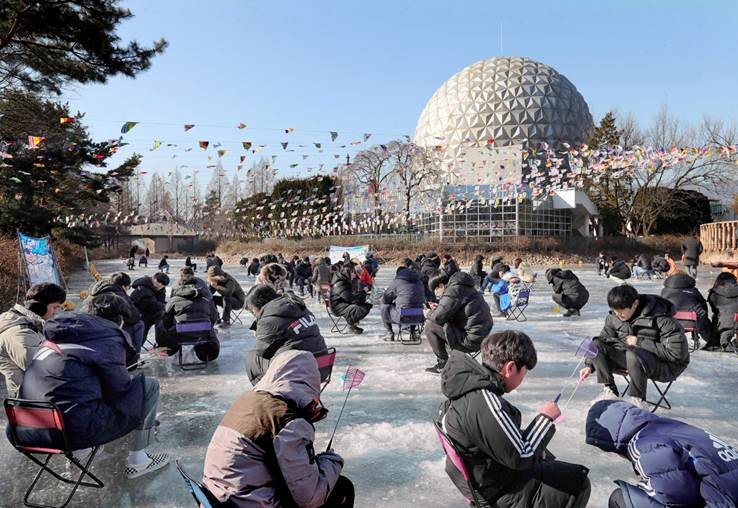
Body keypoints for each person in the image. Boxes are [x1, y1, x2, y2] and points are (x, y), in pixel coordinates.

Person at [18, 293, 169, 478]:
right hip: (72, 431)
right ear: (120, 319)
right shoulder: (106, 340)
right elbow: (119, 390)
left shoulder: (56, 334)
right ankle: (138, 460)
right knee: (148, 386)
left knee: (73, 392)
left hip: (27, 428)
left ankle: (81, 455)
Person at [438, 331, 591, 507]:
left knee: (548, 460)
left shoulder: (466, 391)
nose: (523, 379)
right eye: (524, 373)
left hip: (486, 480)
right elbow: (521, 456)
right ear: (510, 368)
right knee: (577, 483)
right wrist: (545, 418)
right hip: (500, 489)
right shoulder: (484, 401)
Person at [203, 350, 354, 507]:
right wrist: (331, 461)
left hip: (221, 498)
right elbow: (309, 497)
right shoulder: (286, 421)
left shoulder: (249, 400)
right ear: (310, 382)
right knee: (342, 488)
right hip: (246, 502)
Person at [586, 399, 738, 508]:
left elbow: (675, 495)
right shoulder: (669, 426)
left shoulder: (644, 442)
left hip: (724, 502)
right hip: (726, 494)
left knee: (620, 498)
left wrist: (644, 489)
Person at [579, 285, 690, 407]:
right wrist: (589, 365)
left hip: (663, 365)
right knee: (596, 344)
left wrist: (640, 342)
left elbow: (676, 354)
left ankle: (638, 400)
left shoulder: (663, 320)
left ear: (635, 303)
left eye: (622, 310)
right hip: (631, 359)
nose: (618, 314)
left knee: (633, 354)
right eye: (615, 310)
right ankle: (610, 391)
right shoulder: (614, 318)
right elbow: (604, 340)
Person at [243, 285, 328, 384]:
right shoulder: (298, 305)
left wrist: (258, 330)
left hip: (295, 372)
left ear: (257, 306)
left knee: (251, 358)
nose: (254, 314)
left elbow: (263, 352)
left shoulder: (267, 318)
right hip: (322, 367)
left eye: (252, 311)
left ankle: (268, 395)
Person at [0, 283, 66, 397]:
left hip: (36, 393)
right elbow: (41, 370)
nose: (56, 313)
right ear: (39, 307)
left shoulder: (29, 324)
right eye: (54, 307)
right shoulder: (19, 334)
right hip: (31, 401)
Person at [424, 272, 493, 373]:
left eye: (436, 289)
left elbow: (438, 318)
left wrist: (428, 313)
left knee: (429, 325)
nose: (436, 293)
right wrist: (439, 308)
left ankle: (443, 363)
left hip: (470, 340)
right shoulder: (464, 288)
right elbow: (458, 310)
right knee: (441, 323)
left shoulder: (453, 291)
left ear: (441, 285)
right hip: (482, 336)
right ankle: (451, 360)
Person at [82, 272, 144, 364]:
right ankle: (133, 358)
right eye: (128, 287)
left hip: (89, 325)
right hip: (106, 329)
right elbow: (134, 317)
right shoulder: (119, 294)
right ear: (124, 286)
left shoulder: (96, 290)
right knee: (138, 325)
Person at [157, 272, 220, 361]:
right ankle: (204, 353)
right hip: (203, 334)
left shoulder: (174, 300)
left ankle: (167, 349)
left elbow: (166, 319)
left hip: (180, 336)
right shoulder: (206, 300)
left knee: (160, 325)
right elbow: (214, 317)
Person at [660, 272, 709, 348]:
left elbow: (661, 307)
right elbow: (703, 306)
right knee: (704, 320)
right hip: (693, 324)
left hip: (671, 323)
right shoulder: (694, 291)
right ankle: (710, 341)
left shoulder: (665, 291)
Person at [380, 266, 425, 342]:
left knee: (384, 306)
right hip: (419, 315)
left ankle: (390, 333)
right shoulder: (419, 282)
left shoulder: (397, 281)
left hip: (403, 315)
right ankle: (413, 332)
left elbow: (386, 299)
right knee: (413, 305)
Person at [329, 263, 372, 334]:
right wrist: (363, 292)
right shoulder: (340, 283)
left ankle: (352, 325)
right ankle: (351, 326)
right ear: (349, 272)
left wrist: (361, 293)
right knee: (363, 307)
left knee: (364, 304)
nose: (354, 275)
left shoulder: (343, 280)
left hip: (342, 304)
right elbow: (352, 299)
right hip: (337, 307)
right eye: (354, 273)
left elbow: (350, 296)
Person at [130, 272, 170, 345]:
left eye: (163, 284)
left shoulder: (158, 288)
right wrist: (166, 305)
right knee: (162, 316)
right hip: (138, 315)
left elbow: (160, 302)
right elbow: (152, 305)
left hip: (148, 313)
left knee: (165, 316)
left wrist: (160, 293)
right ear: (153, 278)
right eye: (158, 282)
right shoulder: (143, 289)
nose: (160, 284)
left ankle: (163, 341)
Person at [706, 272, 738, 352]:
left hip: (722, 320)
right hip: (736, 319)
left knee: (715, 316)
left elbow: (714, 307)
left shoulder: (714, 291)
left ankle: (716, 341)